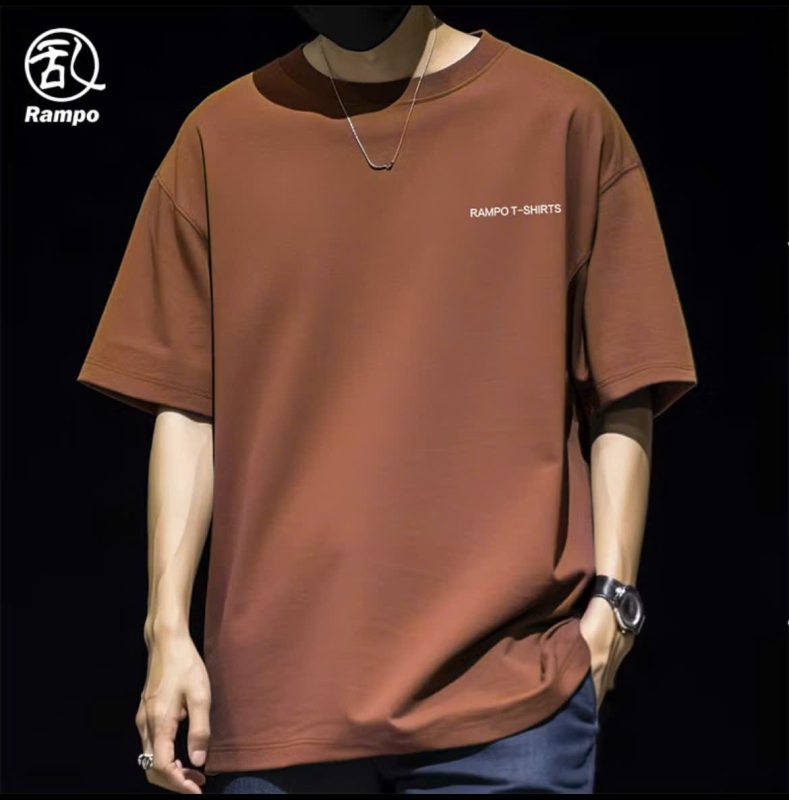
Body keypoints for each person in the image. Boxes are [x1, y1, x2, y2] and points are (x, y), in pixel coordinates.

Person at [76, 5, 699, 794]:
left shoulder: (561, 118)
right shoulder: (222, 135)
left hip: (510, 693)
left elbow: (624, 383)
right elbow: (187, 405)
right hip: (279, 698)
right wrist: (165, 631)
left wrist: (612, 609)